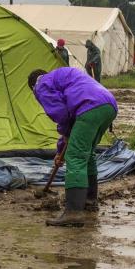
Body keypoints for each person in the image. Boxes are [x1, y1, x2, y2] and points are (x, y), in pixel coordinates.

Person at [29, 67, 117, 227]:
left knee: (75, 156)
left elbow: (62, 115)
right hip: (108, 105)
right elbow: (71, 124)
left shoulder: (41, 85)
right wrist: (60, 150)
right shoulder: (58, 77)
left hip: (89, 106)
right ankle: (89, 200)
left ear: (33, 87)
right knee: (87, 154)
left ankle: (73, 212)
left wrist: (64, 147)